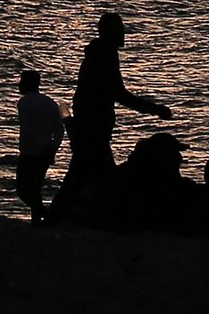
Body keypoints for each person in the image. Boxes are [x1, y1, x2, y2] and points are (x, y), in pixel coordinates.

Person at [44, 12, 172, 226]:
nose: (123, 33)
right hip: (93, 129)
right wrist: (154, 109)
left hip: (92, 128)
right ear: (105, 32)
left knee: (83, 177)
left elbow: (93, 95)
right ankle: (114, 222)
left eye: (122, 29)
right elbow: (118, 93)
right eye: (117, 29)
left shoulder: (100, 54)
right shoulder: (104, 55)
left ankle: (54, 220)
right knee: (93, 178)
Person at [101, 131, 203, 234]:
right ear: (163, 156)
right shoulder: (153, 184)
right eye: (175, 153)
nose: (180, 157)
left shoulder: (131, 173)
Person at [15, 70, 65, 223]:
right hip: (46, 152)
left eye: (22, 81)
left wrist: (42, 146)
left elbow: (27, 127)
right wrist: (53, 147)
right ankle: (37, 220)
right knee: (35, 188)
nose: (19, 85)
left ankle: (44, 214)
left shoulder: (24, 103)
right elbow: (59, 129)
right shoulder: (50, 102)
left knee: (23, 189)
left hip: (30, 152)